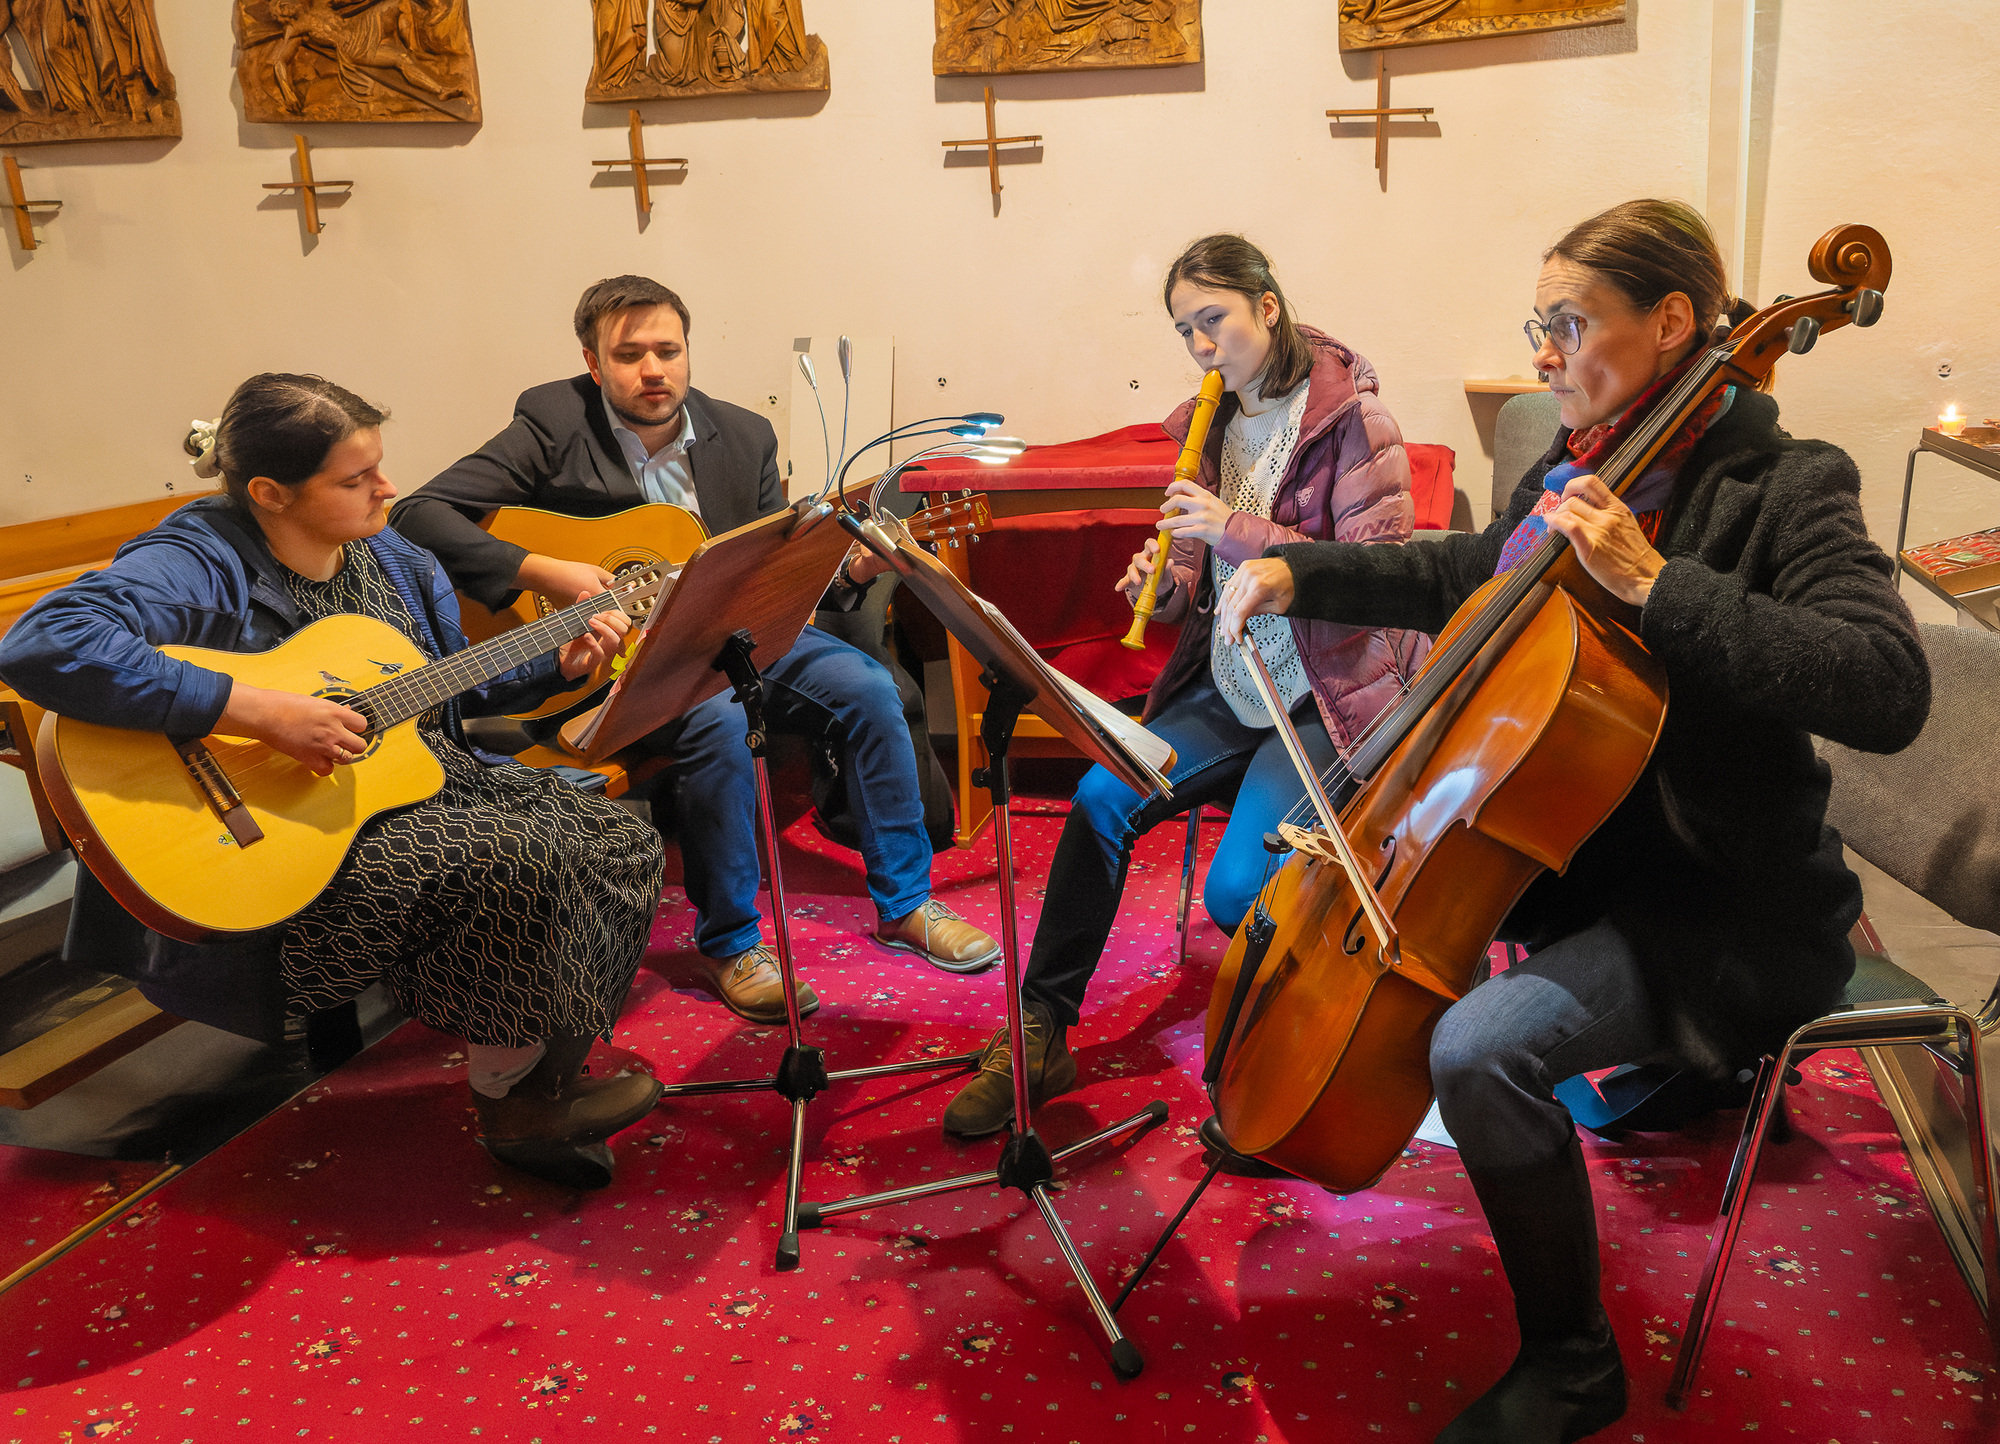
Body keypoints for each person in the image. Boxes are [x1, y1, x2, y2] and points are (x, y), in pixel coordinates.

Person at [1216, 200, 1931, 1442]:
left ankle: (1571, 1359)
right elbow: (1464, 569)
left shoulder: (1783, 484)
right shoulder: (1586, 459)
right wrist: (1296, 567)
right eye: (1534, 327)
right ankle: (1322, 1101)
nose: (1544, 354)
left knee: (1475, 1048)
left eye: (1565, 324)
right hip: (1592, 872)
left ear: (1668, 323)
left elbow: (1883, 686)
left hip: (1720, 906)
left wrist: (1658, 588)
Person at [0, 374, 671, 1192]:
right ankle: (516, 1103)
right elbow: (45, 643)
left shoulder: (390, 553)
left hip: (404, 788)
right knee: (521, 856)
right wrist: (261, 712)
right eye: (356, 480)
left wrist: (558, 668)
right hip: (263, 837)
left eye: (380, 467)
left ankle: (541, 1085)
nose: (387, 489)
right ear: (269, 493)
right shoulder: (199, 556)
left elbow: (448, 685)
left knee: (620, 838)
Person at [391, 275, 998, 1028]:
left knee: (871, 689)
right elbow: (418, 513)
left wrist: (854, 567)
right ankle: (732, 944)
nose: (654, 370)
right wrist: (548, 572)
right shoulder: (551, 421)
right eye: (630, 354)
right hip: (616, 663)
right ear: (593, 361)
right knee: (713, 722)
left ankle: (907, 903)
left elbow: (779, 566)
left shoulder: (743, 435)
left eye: (668, 350)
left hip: (738, 635)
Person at [942, 234, 1430, 1137]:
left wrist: (1237, 529)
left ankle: (1286, 1052)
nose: (1204, 349)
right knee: (1097, 800)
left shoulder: (1359, 423)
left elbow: (1380, 574)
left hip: (1323, 694)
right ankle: (1040, 1030)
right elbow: (1196, 589)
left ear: (1267, 307)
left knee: (1236, 893)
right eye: (1185, 332)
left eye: (1215, 321)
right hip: (1232, 683)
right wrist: (1161, 584)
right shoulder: (1207, 426)